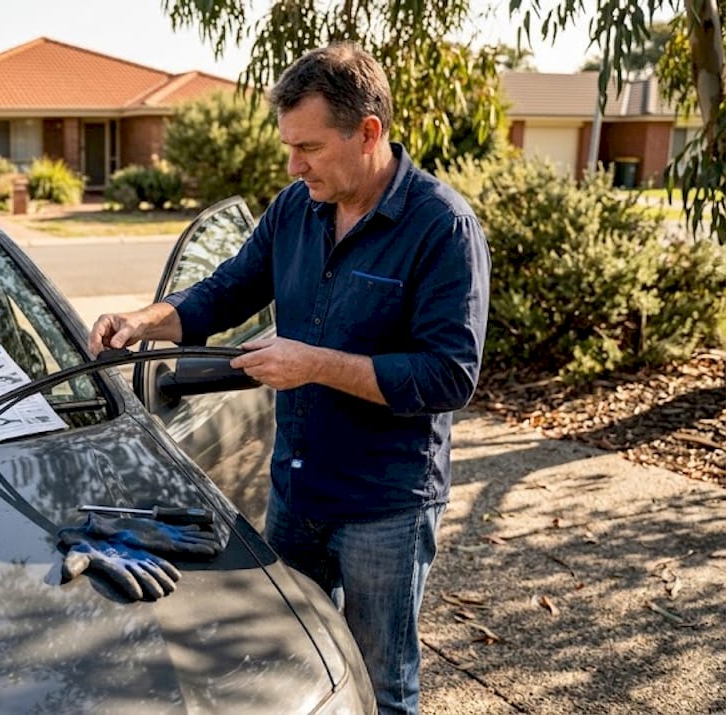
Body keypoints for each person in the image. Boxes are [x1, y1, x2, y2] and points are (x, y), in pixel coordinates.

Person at [88, 43, 490, 715]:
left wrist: (312, 364)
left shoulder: (442, 227)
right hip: (296, 492)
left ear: (368, 133)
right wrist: (143, 320)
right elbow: (221, 293)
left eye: (308, 147)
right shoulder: (294, 209)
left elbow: (449, 374)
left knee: (380, 685)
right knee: (293, 670)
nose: (293, 164)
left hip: (385, 506)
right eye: (288, 146)